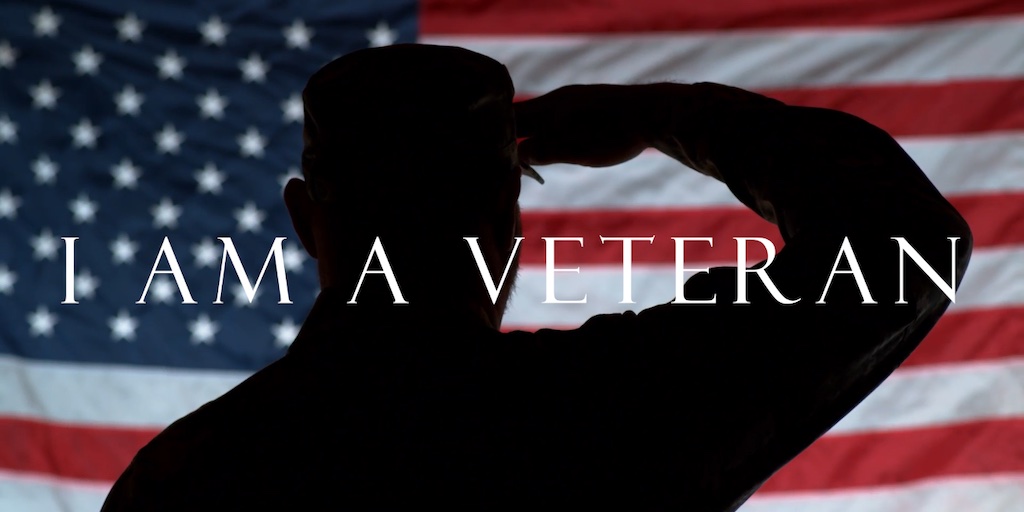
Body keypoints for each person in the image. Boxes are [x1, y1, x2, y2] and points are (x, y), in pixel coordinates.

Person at [100, 43, 972, 511]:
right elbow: (907, 247)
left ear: (302, 218)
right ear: (508, 216)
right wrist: (665, 114)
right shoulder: (613, 410)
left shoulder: (179, 480)